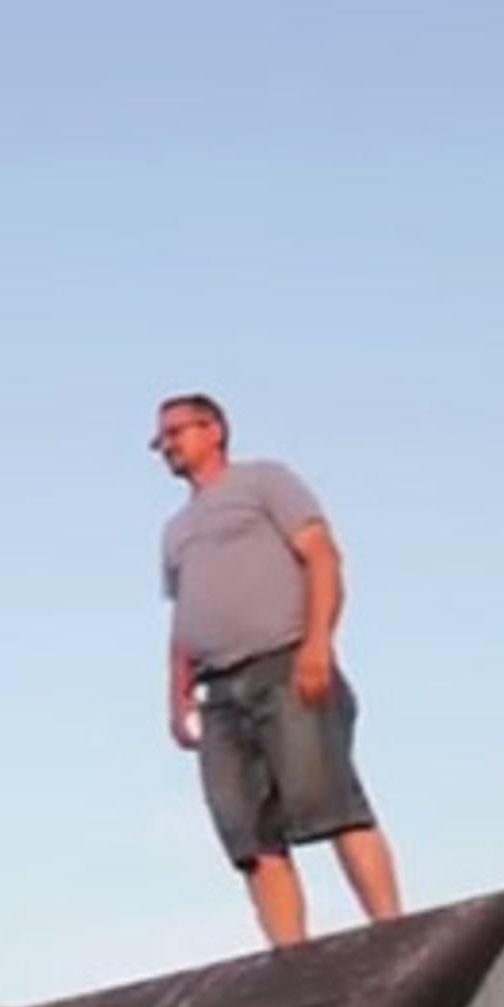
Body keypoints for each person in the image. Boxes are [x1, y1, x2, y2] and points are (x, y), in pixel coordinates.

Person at [152, 393, 403, 947]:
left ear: (213, 430)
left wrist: (317, 645)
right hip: (218, 690)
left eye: (175, 432)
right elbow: (183, 616)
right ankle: (292, 956)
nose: (166, 446)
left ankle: (394, 932)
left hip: (285, 663)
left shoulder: (264, 482)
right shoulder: (176, 530)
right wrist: (177, 697)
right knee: (248, 834)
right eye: (161, 439)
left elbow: (322, 556)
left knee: (331, 802)